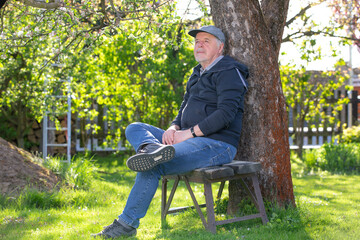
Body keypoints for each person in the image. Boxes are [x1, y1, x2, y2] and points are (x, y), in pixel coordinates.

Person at [92, 25, 249, 239]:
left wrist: (189, 133)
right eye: (197, 41)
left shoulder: (229, 71)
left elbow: (226, 113)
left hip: (216, 145)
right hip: (185, 138)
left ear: (220, 48)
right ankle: (150, 148)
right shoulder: (196, 74)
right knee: (135, 128)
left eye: (206, 41)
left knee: (153, 165)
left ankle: (126, 224)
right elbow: (183, 109)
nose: (199, 44)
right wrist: (174, 127)